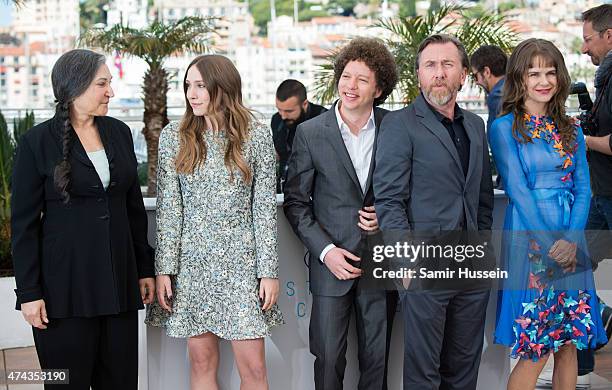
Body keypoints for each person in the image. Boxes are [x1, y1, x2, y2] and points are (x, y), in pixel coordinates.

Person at [11, 49, 155, 389]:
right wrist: (29, 293)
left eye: (110, 83)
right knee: (66, 383)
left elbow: (132, 208)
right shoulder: (36, 142)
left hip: (119, 284)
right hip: (64, 291)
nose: (111, 92)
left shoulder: (119, 132)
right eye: (102, 84)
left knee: (120, 381)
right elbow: (24, 226)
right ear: (75, 87)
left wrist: (144, 268)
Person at [145, 54, 283, 390]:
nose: (192, 94)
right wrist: (165, 269)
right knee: (201, 362)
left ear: (223, 87)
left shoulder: (258, 136)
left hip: (242, 266)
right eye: (188, 86)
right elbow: (170, 211)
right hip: (193, 267)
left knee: (254, 369)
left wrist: (268, 272)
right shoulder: (173, 138)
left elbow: (263, 210)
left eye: (201, 86)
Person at [374, 34, 494, 390]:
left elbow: (482, 198)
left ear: (463, 74)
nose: (439, 73)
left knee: (464, 369)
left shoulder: (475, 125)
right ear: (419, 75)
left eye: (447, 65)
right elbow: (389, 200)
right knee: (423, 373)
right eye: (430, 66)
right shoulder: (399, 124)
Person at [488, 38, 608, 390]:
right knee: (536, 346)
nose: (544, 80)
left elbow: (584, 189)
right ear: (519, 78)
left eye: (551, 72)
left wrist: (571, 240)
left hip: (571, 236)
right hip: (530, 240)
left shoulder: (571, 128)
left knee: (569, 344)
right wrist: (552, 245)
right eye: (534, 72)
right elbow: (518, 192)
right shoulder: (504, 127)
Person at [283, 37, 398, 390]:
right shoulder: (309, 132)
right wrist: (326, 251)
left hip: (380, 261)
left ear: (378, 89)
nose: (350, 86)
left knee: (377, 361)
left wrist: (387, 215)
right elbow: (296, 202)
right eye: (346, 76)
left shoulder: (396, 128)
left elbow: (407, 191)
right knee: (329, 357)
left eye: (362, 80)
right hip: (330, 264)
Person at [574, 3, 612, 384]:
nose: (585, 48)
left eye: (588, 39)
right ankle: (581, 369)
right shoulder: (605, 79)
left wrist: (580, 138)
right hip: (602, 197)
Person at [271, 79, 326, 192]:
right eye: (279, 109)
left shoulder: (324, 119)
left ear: (304, 104)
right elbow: (278, 154)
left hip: (314, 192)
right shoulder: (276, 120)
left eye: (289, 111)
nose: (283, 116)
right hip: (284, 190)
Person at [470, 45, 507, 131]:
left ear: (487, 72)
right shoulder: (516, 87)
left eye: (475, 76)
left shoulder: (497, 96)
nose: (476, 82)